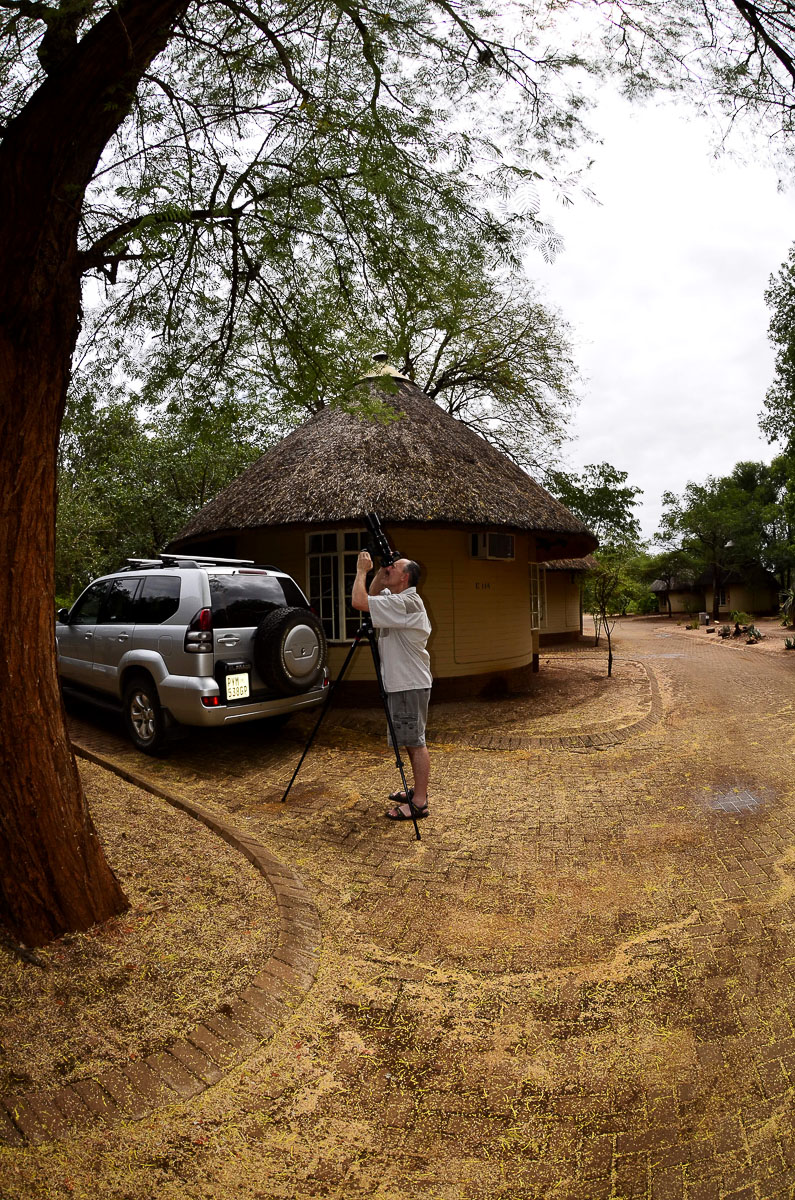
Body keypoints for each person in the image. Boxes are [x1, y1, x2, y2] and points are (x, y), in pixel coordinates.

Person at [352, 551, 432, 821]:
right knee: (409, 741)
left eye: (394, 567)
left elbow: (359, 601)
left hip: (409, 684)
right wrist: (378, 574)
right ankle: (416, 792)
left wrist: (361, 570)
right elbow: (373, 597)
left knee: (416, 742)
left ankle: (419, 802)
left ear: (405, 576)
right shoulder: (396, 599)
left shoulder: (408, 603)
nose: (389, 568)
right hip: (402, 684)